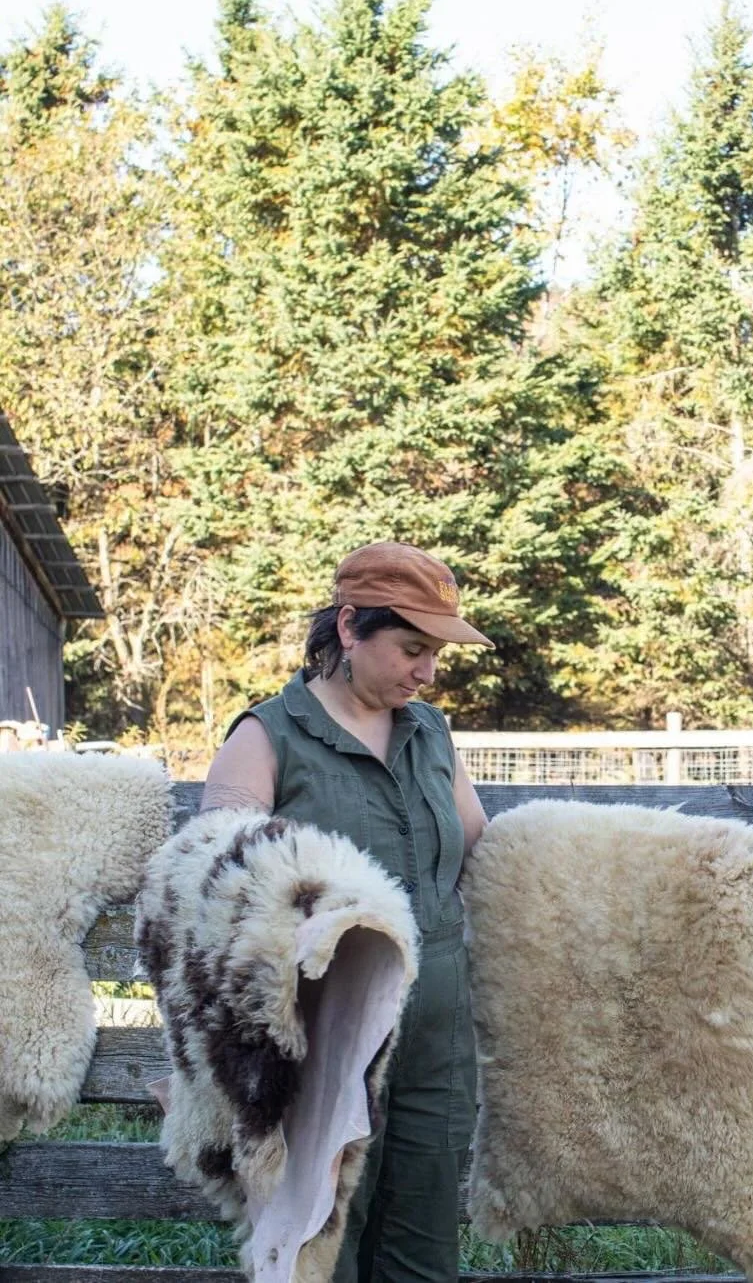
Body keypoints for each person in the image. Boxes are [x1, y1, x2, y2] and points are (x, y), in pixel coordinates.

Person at [201, 541, 495, 1283]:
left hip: (435, 1036)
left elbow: (481, 850)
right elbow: (218, 883)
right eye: (411, 649)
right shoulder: (268, 737)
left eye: (436, 654)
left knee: (426, 1244)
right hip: (325, 1036)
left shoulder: (431, 736)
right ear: (347, 628)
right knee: (322, 1239)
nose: (427, 672)